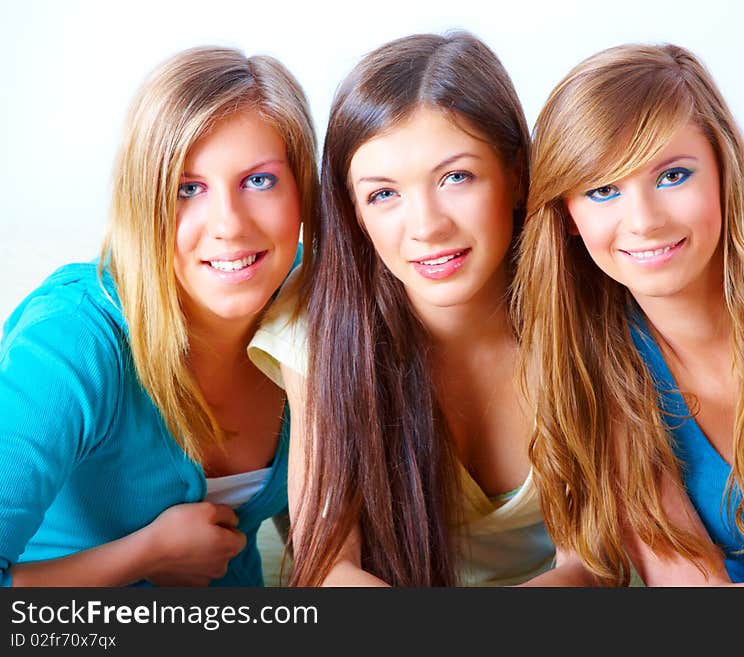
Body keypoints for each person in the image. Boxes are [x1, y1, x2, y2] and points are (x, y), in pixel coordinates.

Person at [513, 42, 744, 586]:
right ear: (568, 216)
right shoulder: (601, 364)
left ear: (722, 172)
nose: (644, 222)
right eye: (603, 190)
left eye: (672, 176)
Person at [248, 31, 592, 586]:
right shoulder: (319, 322)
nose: (427, 225)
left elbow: (590, 564)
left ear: (517, 178)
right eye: (384, 194)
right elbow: (328, 567)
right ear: (355, 212)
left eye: (456, 177)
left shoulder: (582, 302)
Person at [0, 45, 318, 586]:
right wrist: (145, 555)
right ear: (142, 203)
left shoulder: (321, 304)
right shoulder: (71, 342)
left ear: (303, 190)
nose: (229, 225)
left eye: (259, 180)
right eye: (187, 189)